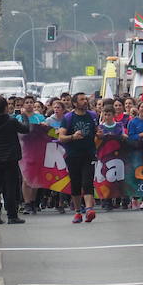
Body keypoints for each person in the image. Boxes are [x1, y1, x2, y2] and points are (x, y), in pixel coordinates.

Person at [0, 97, 29, 225]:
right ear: (6, 108)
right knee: (10, 189)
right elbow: (25, 129)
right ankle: (12, 216)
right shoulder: (11, 121)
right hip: (10, 159)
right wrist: (24, 116)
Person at [58, 93, 98, 223]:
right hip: (73, 155)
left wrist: (100, 134)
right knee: (75, 184)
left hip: (89, 153)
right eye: (82, 99)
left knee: (87, 181)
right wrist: (72, 137)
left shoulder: (92, 116)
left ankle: (89, 209)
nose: (85, 101)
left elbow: (97, 131)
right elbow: (61, 137)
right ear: (75, 103)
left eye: (86, 99)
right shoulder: (68, 118)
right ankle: (77, 212)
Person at [16, 95, 45, 215]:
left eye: (31, 102)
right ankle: (27, 202)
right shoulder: (18, 118)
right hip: (24, 151)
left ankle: (33, 201)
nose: (29, 104)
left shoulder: (39, 117)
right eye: (26, 102)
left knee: (36, 178)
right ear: (23, 105)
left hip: (37, 150)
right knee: (26, 179)